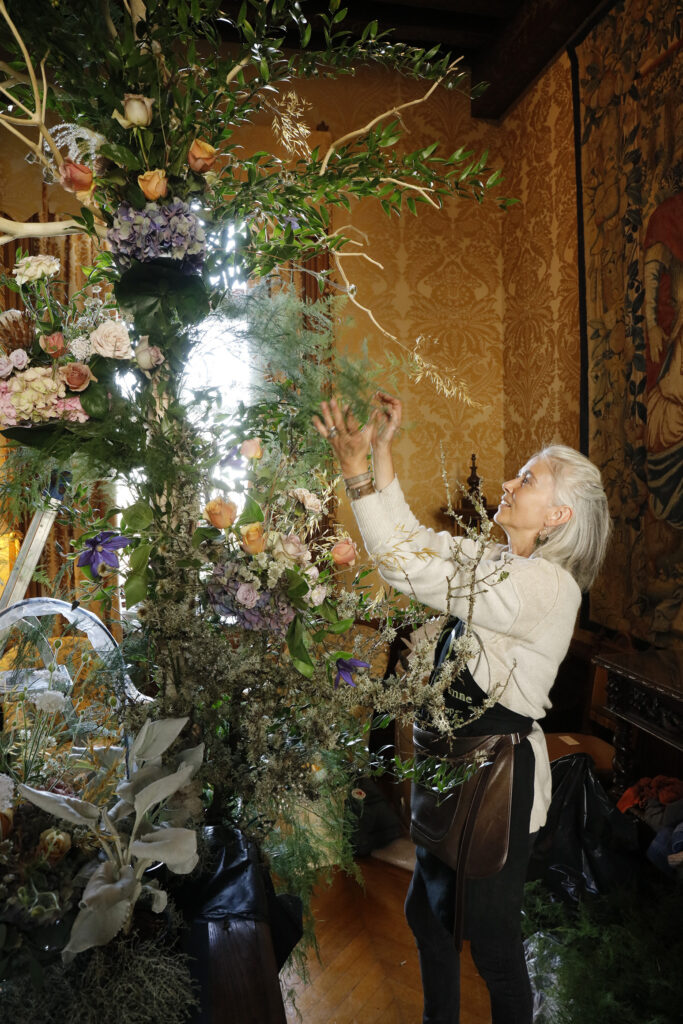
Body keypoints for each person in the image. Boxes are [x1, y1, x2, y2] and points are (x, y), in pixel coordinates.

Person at [313, 392, 612, 1024]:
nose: (509, 481)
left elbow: (409, 570)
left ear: (557, 514)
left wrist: (358, 476)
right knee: (428, 916)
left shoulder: (545, 587)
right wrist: (379, 458)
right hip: (452, 768)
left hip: (495, 783)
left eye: (527, 478)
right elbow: (416, 544)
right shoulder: (500, 560)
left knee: (496, 950)